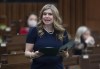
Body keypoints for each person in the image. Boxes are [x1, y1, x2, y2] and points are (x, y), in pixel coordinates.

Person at [25, 4, 69, 69]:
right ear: (41, 16)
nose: (46, 16)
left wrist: (64, 54)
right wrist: (33, 55)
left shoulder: (62, 32)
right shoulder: (34, 31)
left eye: (50, 14)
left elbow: (66, 54)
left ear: (55, 16)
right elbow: (26, 52)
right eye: (44, 14)